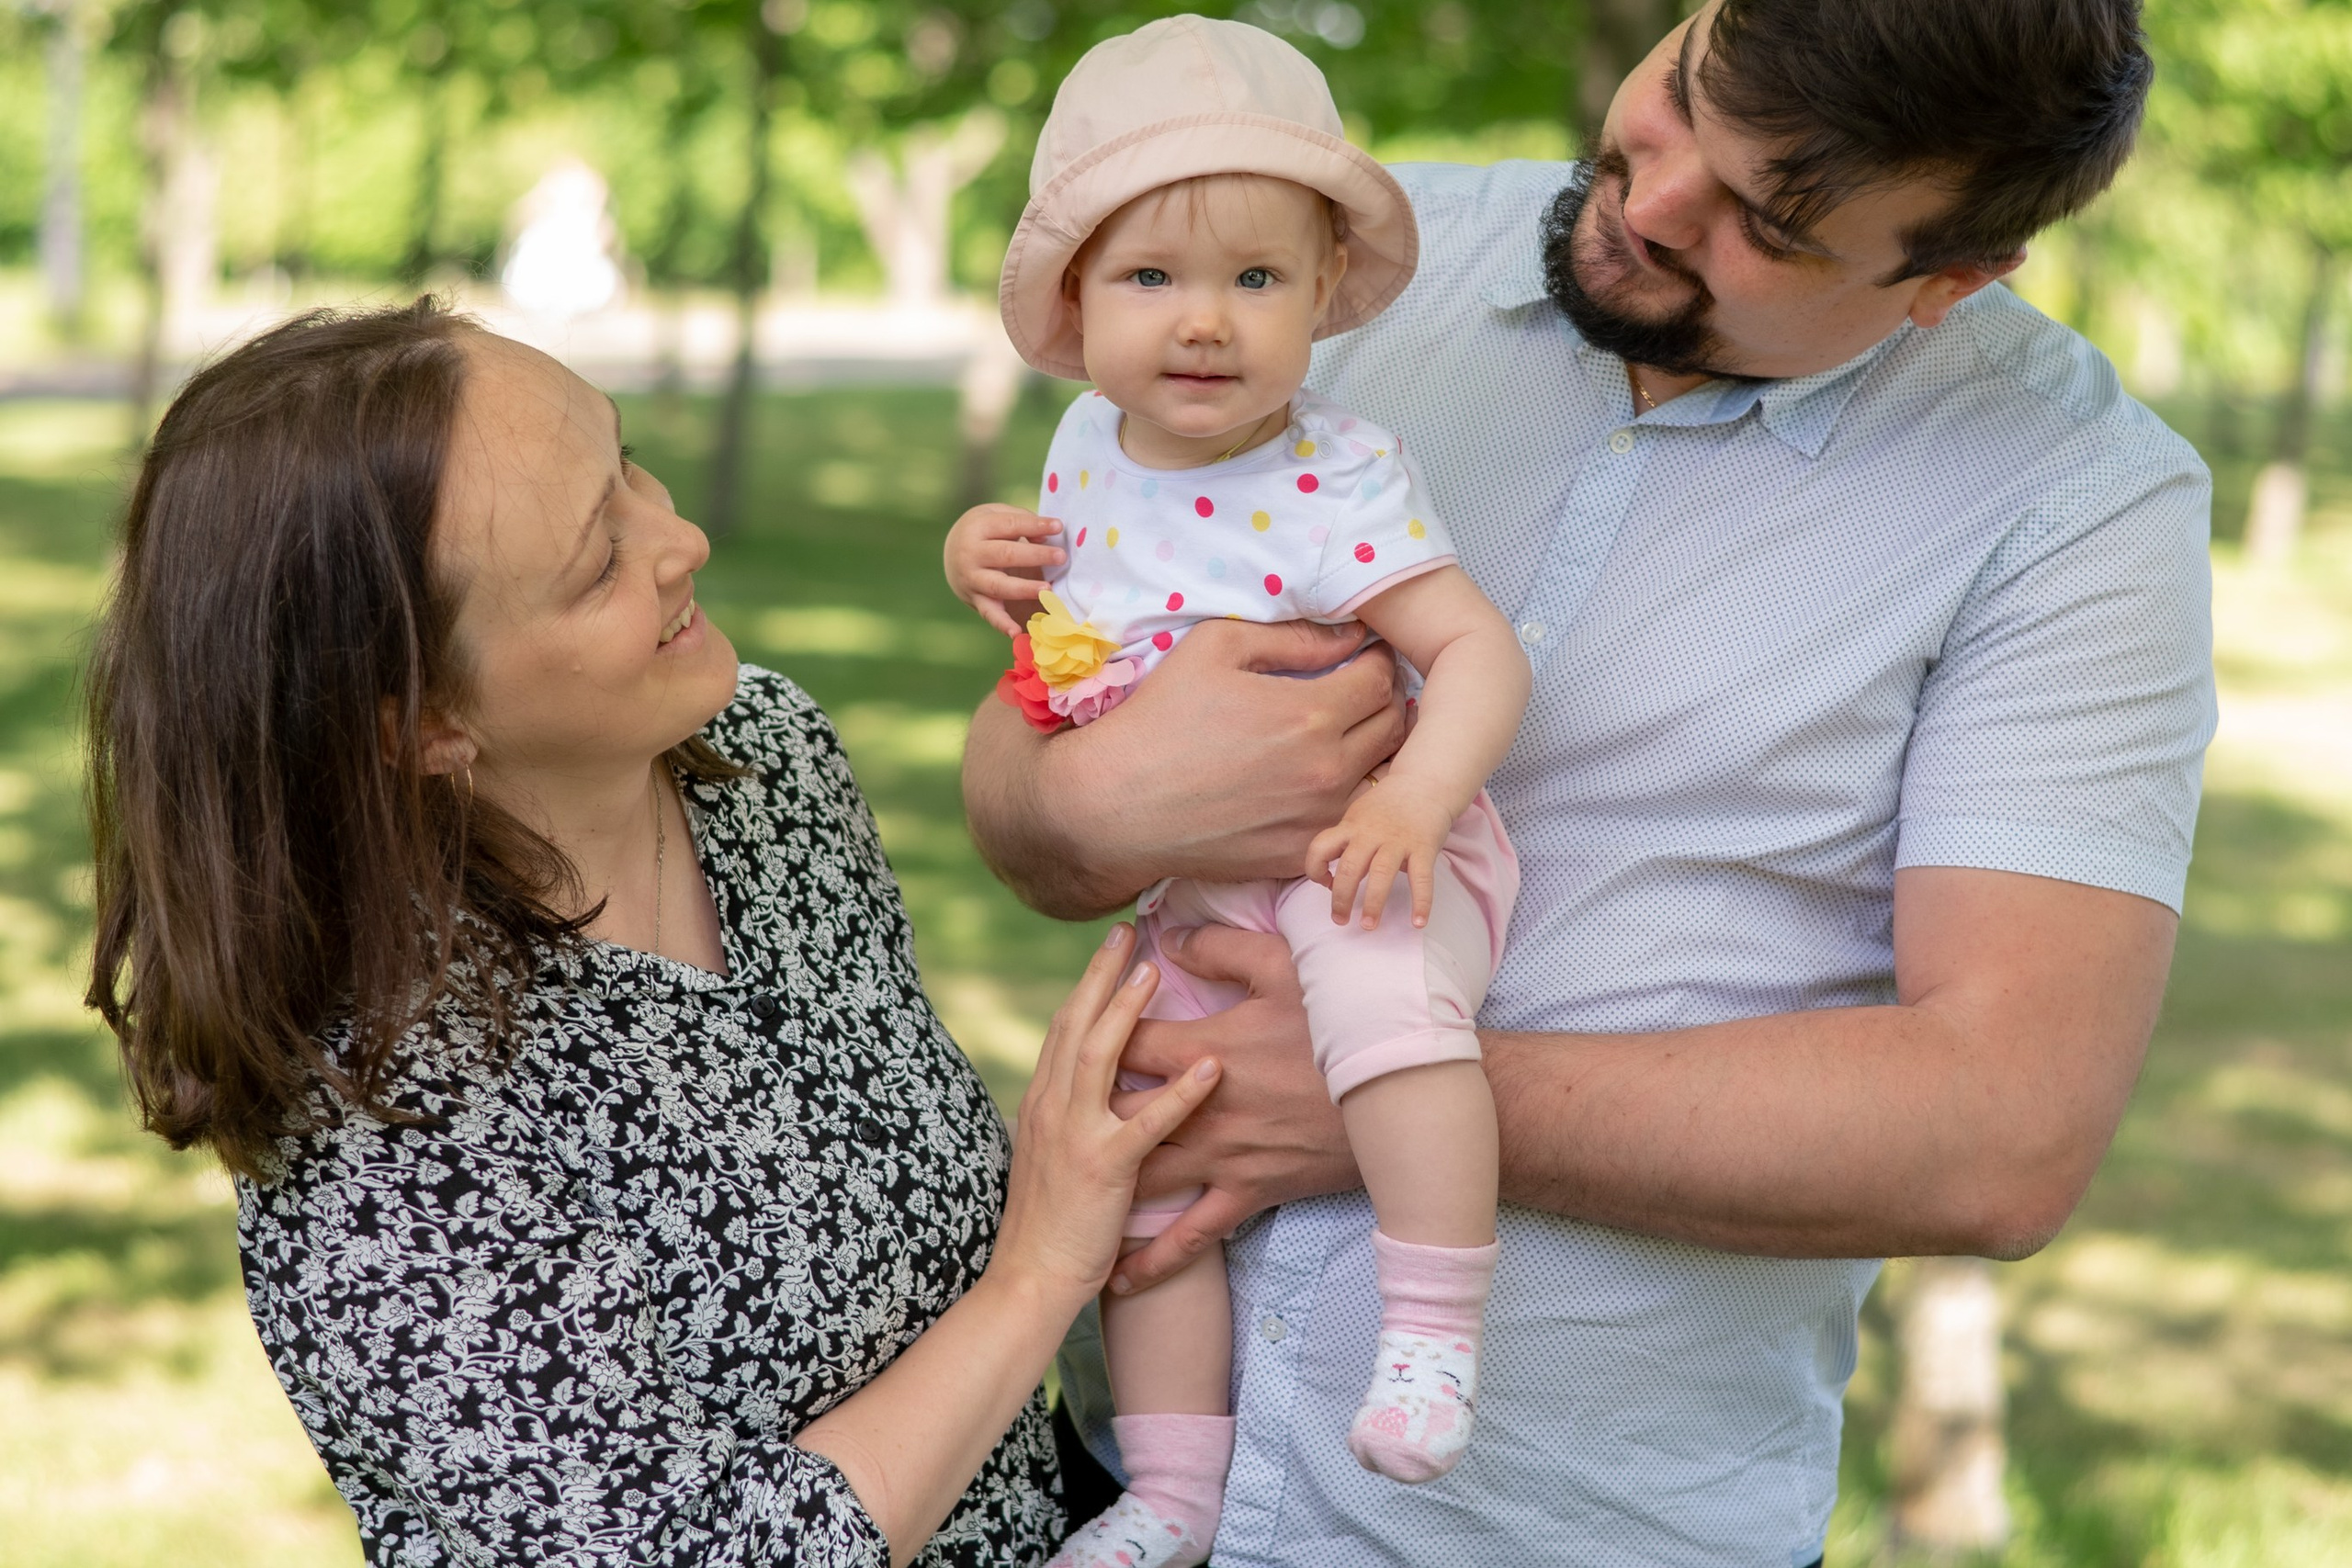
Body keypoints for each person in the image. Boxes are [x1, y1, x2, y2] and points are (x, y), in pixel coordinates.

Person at [959, 1, 2216, 1562]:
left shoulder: (2078, 508)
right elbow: (1041, 738)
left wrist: (1387, 1098)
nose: (1655, 199)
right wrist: (1083, 809)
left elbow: (2007, 1130)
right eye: (1680, 98)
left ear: (1950, 278)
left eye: (1771, 220)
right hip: (1116, 1470)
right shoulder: (1331, 257)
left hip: (1573, 1532)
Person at [83, 300, 1225, 1568]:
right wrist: (1039, 1269)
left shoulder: (764, 765)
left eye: (624, 463)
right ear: (420, 727)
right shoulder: (372, 1109)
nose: (680, 536)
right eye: (596, 565)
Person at [944, 20, 1531, 1566]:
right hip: (1192, 889)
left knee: (1389, 1017)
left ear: (1326, 296)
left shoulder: (1340, 473)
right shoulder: (1083, 447)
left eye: (1255, 282)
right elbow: (1070, 659)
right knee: (1133, 1158)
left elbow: (1477, 655)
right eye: (1152, 280)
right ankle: (1174, 1493)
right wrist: (978, 564)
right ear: (1075, 303)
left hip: (1371, 850)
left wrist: (1409, 805)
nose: (1204, 325)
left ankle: (1431, 1329)